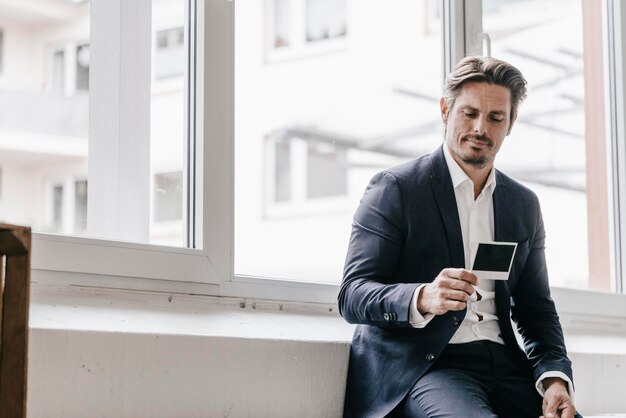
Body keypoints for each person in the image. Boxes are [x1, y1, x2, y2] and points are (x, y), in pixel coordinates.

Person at [338, 56, 581, 418]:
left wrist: (554, 378)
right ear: (445, 110)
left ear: (511, 123)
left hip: (507, 367)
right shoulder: (396, 189)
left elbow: (536, 309)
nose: (480, 128)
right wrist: (422, 297)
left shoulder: (523, 204)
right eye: (469, 113)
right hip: (429, 368)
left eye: (496, 117)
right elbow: (352, 294)